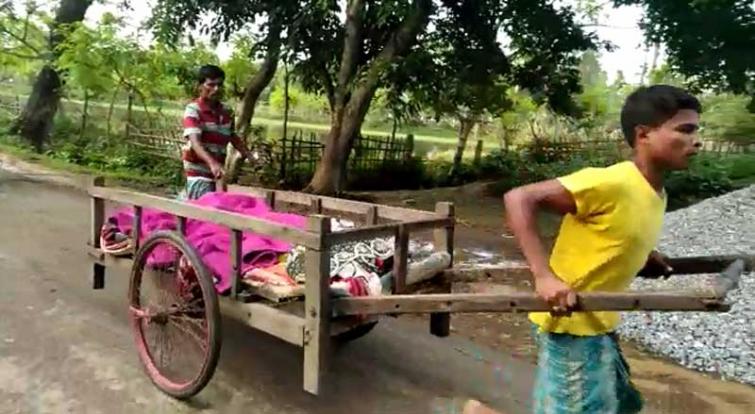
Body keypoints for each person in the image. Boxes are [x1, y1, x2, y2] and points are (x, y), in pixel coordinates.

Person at [463, 85, 702, 414]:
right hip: (572, 323)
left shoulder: (655, 192)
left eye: (697, 131)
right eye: (685, 130)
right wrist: (544, 277)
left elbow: (617, 230)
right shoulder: (613, 182)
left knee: (623, 406)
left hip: (599, 321)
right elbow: (519, 198)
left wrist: (644, 256)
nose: (697, 141)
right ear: (643, 134)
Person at [179, 64, 254, 200]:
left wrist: (247, 154)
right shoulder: (193, 110)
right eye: (211, 85)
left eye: (219, 85)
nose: (216, 89)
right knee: (204, 207)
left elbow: (231, 135)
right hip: (198, 172)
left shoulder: (226, 111)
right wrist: (212, 163)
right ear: (200, 86)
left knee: (214, 204)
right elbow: (195, 143)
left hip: (217, 173)